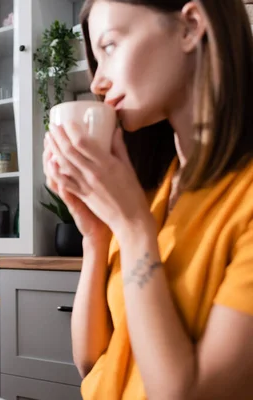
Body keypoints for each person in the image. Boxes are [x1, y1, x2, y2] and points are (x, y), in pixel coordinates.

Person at [43, 0, 253, 399]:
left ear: (190, 26)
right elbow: (92, 361)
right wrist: (96, 236)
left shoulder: (239, 202)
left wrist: (134, 228)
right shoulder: (157, 193)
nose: (97, 83)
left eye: (109, 47)